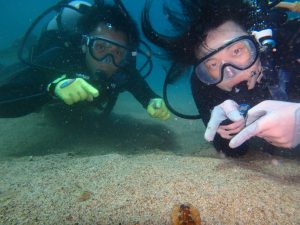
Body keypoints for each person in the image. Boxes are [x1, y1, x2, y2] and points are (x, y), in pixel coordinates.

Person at [142, 0, 300, 156]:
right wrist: (230, 125)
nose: (230, 72)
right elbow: (232, 151)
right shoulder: (205, 84)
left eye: (237, 51)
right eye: (213, 64)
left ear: (257, 42)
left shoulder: (293, 45)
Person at [0, 1, 170, 121]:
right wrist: (51, 89)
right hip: (41, 60)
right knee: (7, 72)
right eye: (100, 47)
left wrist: (152, 100)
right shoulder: (59, 58)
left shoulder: (122, 70)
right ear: (84, 45)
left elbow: (141, 90)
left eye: (118, 52)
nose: (107, 61)